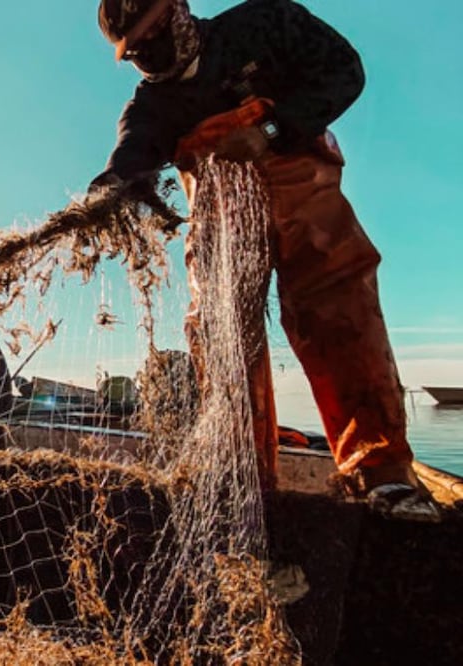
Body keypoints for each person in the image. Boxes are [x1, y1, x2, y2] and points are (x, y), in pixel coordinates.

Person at [90, 0, 438, 520]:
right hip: (221, 223)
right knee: (223, 334)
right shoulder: (151, 107)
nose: (153, 50)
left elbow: (344, 71)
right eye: (138, 49)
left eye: (158, 29)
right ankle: (240, 479)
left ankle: (382, 473)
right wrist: (108, 191)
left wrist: (271, 130)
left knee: (341, 319)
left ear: (180, 8)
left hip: (307, 201)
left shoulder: (265, 24)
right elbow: (131, 154)